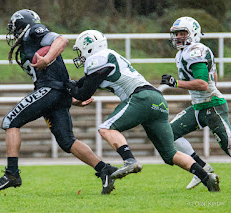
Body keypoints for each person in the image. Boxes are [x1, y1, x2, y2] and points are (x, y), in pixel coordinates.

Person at [66, 29, 220, 192]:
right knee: (170, 153)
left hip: (141, 98)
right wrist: (68, 87)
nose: (80, 56)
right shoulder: (108, 58)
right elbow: (81, 85)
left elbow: (83, 93)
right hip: (158, 100)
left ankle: (129, 160)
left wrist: (66, 87)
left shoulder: (97, 59)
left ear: (89, 47)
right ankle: (206, 177)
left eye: (80, 51)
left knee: (106, 128)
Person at [0, 9, 118, 195]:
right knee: (67, 141)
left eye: (14, 28)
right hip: (57, 92)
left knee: (10, 122)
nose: (13, 32)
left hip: (49, 89)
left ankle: (12, 174)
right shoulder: (27, 43)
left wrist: (46, 59)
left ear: (21, 25)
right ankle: (104, 169)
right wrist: (70, 98)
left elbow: (61, 40)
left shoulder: (34, 30)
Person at [160, 16, 231, 189]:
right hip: (199, 107)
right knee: (168, 134)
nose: (178, 38)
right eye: (176, 34)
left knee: (229, 146)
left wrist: (175, 83)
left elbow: (202, 83)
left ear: (194, 34)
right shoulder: (182, 53)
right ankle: (202, 168)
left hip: (212, 106)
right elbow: (213, 76)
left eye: (182, 33)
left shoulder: (196, 51)